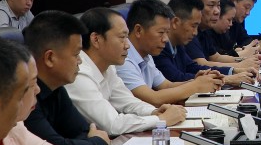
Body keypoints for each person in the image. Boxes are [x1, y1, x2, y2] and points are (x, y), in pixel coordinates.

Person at [68, 7, 186, 137]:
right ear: (96, 39)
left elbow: (128, 102)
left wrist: (154, 112)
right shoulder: (79, 74)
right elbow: (112, 125)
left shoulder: (108, 67)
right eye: (122, 37)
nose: (127, 45)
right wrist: (160, 120)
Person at [22, 10, 109, 145]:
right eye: (76, 54)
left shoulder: (56, 88)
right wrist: (98, 142)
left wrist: (82, 143)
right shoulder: (26, 97)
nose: (80, 61)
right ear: (50, 58)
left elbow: (84, 132)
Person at [115, 0, 222, 106]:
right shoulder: (122, 60)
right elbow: (153, 98)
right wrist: (196, 86)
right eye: (161, 32)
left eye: (167, 32)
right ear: (138, 30)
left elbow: (166, 85)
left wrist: (198, 80)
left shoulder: (146, 55)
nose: (166, 39)